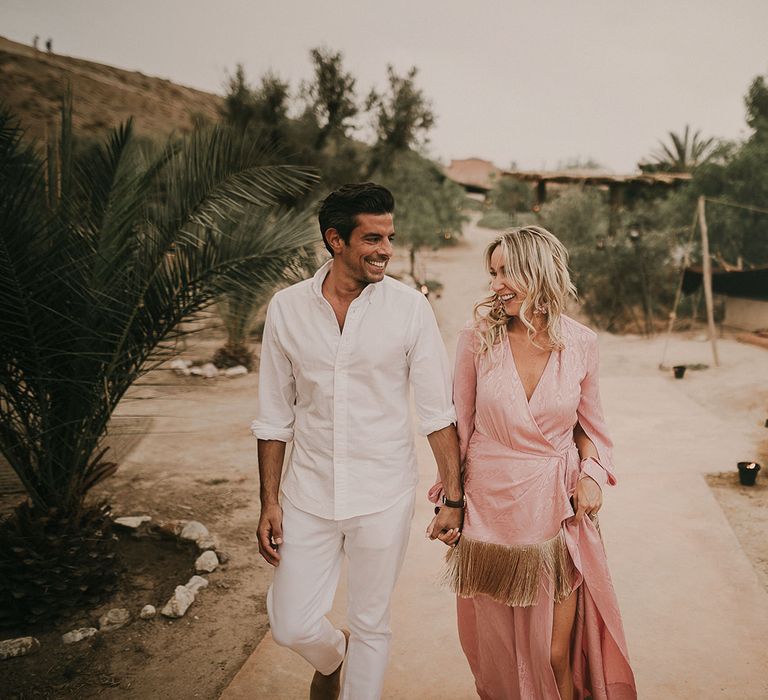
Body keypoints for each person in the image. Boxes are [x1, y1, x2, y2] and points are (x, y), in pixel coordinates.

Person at [252, 182, 462, 700]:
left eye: (389, 237)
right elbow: (274, 416)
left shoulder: (410, 309)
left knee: (372, 622)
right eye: (372, 238)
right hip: (309, 492)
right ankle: (332, 656)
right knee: (290, 623)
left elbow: (438, 412)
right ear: (335, 240)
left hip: (383, 490)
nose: (386, 250)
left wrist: (453, 498)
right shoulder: (287, 309)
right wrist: (269, 501)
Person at [428, 226, 637, 700]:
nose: (496, 284)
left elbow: (592, 428)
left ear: (537, 272)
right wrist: (450, 503)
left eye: (507, 272)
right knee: (496, 650)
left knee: (553, 653)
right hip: (488, 515)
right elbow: (458, 427)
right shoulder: (475, 339)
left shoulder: (581, 342)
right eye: (493, 273)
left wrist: (591, 476)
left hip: (552, 511)